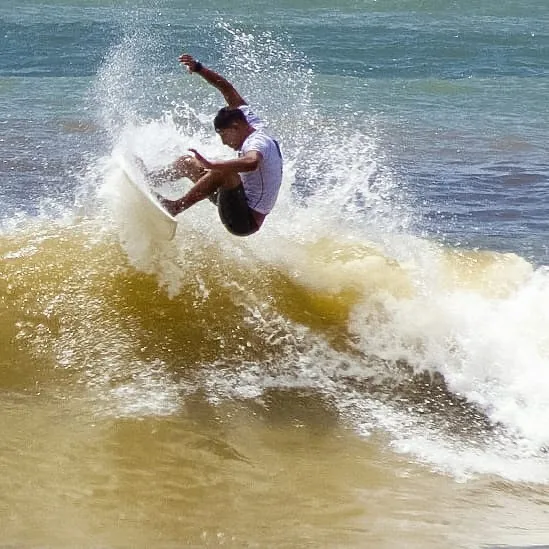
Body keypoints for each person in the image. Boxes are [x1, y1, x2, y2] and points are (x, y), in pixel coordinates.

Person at [151, 53, 283, 236]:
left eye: (224, 135)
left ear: (235, 127)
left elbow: (252, 162)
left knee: (223, 170)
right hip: (234, 198)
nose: (224, 142)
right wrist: (199, 68)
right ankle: (149, 179)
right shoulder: (249, 120)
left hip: (244, 221)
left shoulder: (258, 142)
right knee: (186, 162)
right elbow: (226, 89)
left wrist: (212, 165)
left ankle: (174, 207)